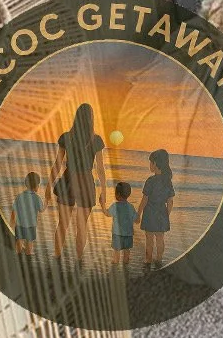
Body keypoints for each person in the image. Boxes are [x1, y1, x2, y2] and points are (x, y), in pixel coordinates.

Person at [50, 104, 104, 260]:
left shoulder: (67, 137)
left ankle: (57, 258)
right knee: (82, 227)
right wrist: (104, 194)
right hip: (86, 183)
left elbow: (57, 164)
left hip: (68, 180)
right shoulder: (96, 140)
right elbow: (100, 170)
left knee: (62, 225)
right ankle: (79, 261)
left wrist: (48, 186)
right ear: (91, 119)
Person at [138, 148, 174, 271]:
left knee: (149, 239)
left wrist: (138, 214)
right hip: (162, 213)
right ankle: (159, 259)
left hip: (149, 213)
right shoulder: (167, 181)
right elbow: (170, 201)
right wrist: (166, 214)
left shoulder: (151, 181)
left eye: (150, 162)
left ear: (155, 164)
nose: (149, 165)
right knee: (160, 238)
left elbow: (144, 200)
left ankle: (148, 260)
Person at [11, 172, 43, 258]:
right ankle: (28, 254)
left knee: (19, 240)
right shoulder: (37, 198)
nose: (38, 186)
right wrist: (46, 201)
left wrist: (12, 223)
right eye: (38, 185)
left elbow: (14, 210)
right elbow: (41, 209)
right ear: (36, 186)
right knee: (29, 241)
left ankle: (17, 254)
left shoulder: (19, 196)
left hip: (19, 224)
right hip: (31, 225)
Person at [107, 182, 136, 269]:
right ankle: (125, 264)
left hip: (117, 234)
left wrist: (102, 205)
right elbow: (136, 219)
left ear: (118, 194)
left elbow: (107, 214)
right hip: (128, 234)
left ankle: (115, 264)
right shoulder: (131, 207)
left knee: (116, 251)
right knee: (127, 251)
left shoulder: (115, 206)